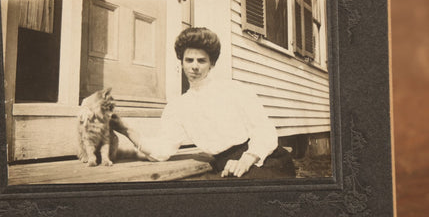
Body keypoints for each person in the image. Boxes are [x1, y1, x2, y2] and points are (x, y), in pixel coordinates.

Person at [112, 27, 296, 179]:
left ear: (211, 64)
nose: (194, 66)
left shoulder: (234, 89)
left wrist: (248, 158)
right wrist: (126, 130)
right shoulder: (178, 107)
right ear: (181, 63)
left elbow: (264, 130)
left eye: (201, 61)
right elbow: (162, 150)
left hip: (264, 159)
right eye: (189, 60)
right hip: (225, 166)